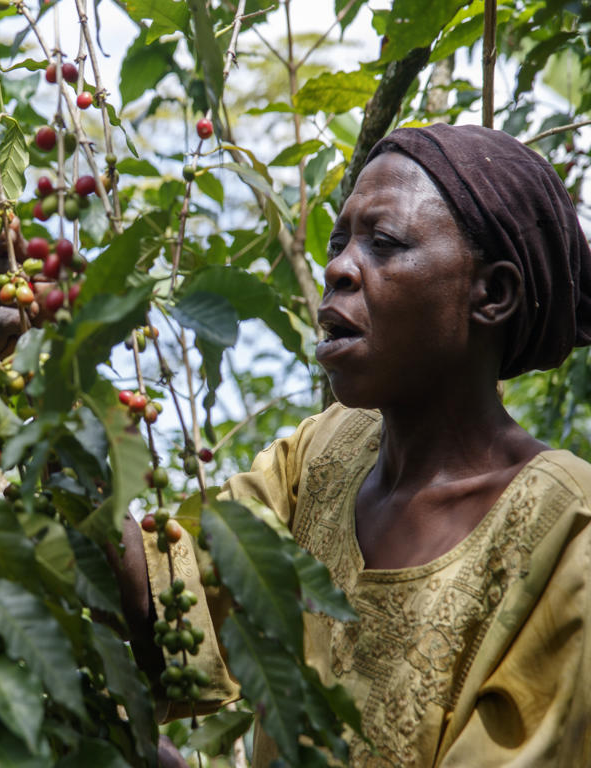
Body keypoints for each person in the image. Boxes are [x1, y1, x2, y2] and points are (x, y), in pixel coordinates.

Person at [115, 123, 591, 766]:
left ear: (492, 295)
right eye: (339, 242)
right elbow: (169, 603)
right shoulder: (321, 455)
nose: (338, 267)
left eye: (384, 243)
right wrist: (42, 373)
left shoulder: (568, 535)